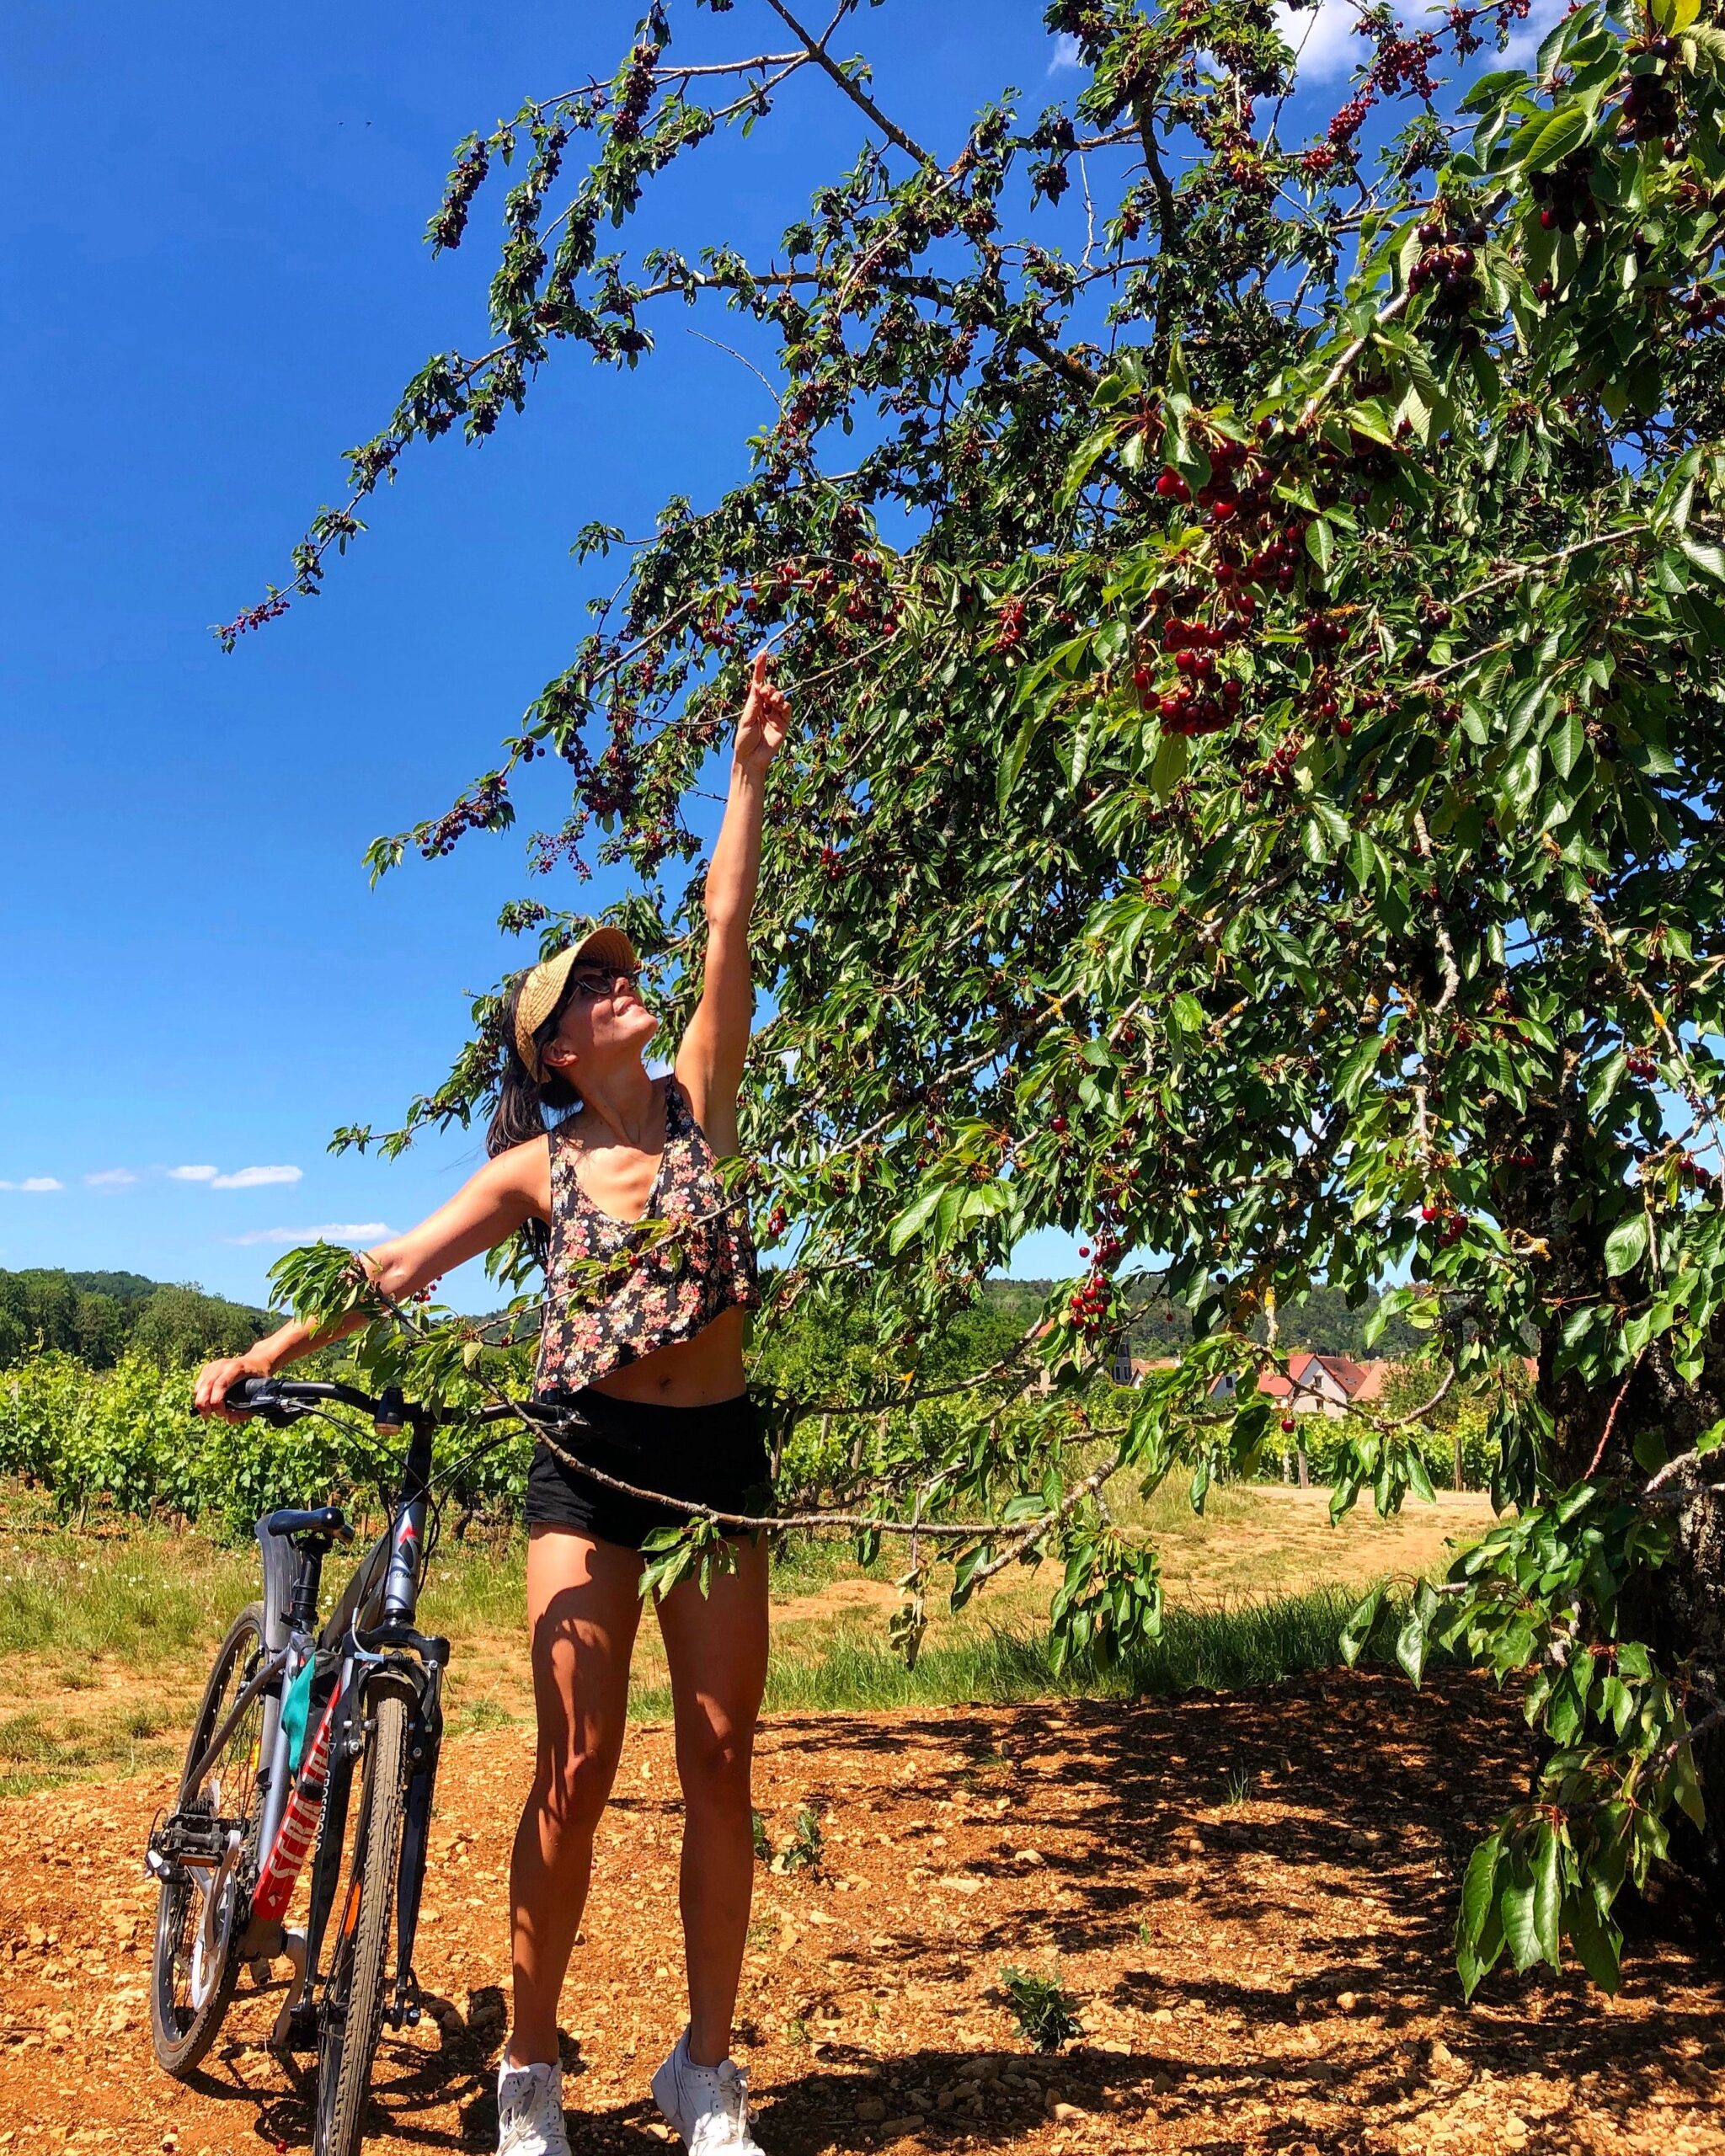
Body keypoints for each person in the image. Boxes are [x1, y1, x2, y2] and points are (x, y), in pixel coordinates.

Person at [195, 655, 793, 2156]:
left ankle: (705, 2069)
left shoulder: (700, 1103)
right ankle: (529, 2070)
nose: (617, 981)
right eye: (588, 986)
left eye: (615, 971)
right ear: (555, 1049)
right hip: (589, 1464)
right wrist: (268, 1350)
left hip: (717, 1462)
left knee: (721, 1763)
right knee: (574, 1772)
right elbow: (397, 1266)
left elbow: (727, 923)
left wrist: (747, 767)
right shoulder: (539, 1168)